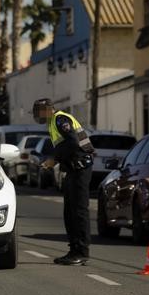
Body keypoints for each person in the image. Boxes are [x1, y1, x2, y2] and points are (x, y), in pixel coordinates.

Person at [33, 98, 94, 266]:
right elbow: (64, 147)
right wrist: (54, 160)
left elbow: (73, 142)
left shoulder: (60, 119)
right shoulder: (53, 123)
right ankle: (74, 250)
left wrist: (54, 159)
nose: (38, 116)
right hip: (72, 169)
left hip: (80, 168)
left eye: (39, 111)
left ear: (47, 110)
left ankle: (81, 252)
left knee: (79, 211)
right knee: (69, 212)